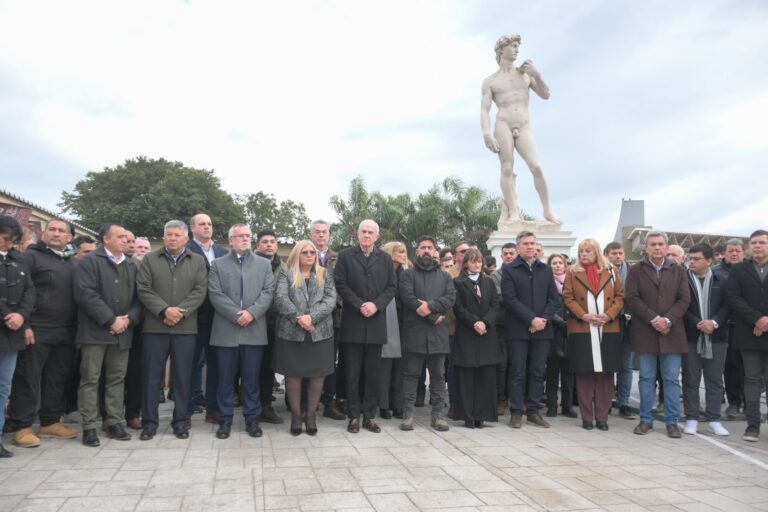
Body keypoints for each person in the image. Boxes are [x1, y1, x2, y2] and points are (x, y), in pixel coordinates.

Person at [6, 219, 79, 448]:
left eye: (61, 231)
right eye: (52, 229)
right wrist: (26, 325)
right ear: (44, 233)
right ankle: (22, 426)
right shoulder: (30, 257)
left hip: (65, 330)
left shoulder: (72, 261)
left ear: (69, 238)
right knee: (28, 379)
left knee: (57, 378)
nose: (56, 234)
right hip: (37, 329)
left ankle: (50, 422)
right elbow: (22, 292)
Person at [136, 220, 207, 440]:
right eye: (169, 234)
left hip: (185, 328)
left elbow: (200, 290)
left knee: (183, 378)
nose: (172, 238)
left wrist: (180, 313)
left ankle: (180, 422)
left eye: (177, 235)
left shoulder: (197, 261)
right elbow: (143, 289)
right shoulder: (150, 259)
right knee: (151, 377)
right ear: (164, 237)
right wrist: (164, 310)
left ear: (186, 238)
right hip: (155, 327)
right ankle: (149, 423)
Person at [74, 223, 142, 447]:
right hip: (94, 333)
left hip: (122, 333)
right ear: (106, 239)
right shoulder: (91, 261)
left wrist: (128, 320)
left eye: (127, 237)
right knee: (90, 379)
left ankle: (114, 422)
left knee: (116, 379)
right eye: (120, 237)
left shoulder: (131, 265)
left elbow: (139, 298)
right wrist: (111, 320)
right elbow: (85, 295)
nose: (125, 241)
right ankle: (89, 426)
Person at [480, 35, 559, 224]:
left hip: (524, 125)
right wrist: (486, 133)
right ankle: (513, 211)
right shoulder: (491, 80)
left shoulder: (525, 74)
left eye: (518, 46)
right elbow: (484, 110)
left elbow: (546, 95)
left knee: (536, 166)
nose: (517, 50)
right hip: (503, 124)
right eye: (513, 46)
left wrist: (537, 75)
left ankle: (548, 211)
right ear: (501, 50)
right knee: (507, 168)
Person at [208, 224, 274, 439]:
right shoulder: (217, 264)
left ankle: (252, 419)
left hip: (254, 330)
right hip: (226, 331)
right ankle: (225, 420)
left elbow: (268, 292)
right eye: (240, 236)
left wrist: (252, 313)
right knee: (225, 380)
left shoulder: (264, 264)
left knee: (251, 380)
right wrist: (237, 314)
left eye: (248, 235)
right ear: (231, 241)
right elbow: (215, 294)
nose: (245, 238)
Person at [625, 231, 690, 438]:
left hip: (672, 332)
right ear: (646, 248)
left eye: (661, 244)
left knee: (671, 380)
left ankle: (672, 422)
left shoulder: (678, 271)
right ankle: (646, 420)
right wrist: (654, 319)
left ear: (666, 247)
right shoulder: (636, 270)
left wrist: (667, 320)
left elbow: (684, 300)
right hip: (645, 332)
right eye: (653, 244)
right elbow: (632, 298)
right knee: (646, 379)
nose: (657, 247)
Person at [334, 220, 396, 434]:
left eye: (371, 232)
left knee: (373, 374)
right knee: (352, 373)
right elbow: (340, 283)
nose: (367, 235)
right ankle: (353, 416)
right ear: (357, 234)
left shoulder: (385, 259)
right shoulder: (345, 256)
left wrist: (376, 305)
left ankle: (369, 416)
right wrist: (359, 304)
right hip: (354, 321)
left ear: (377, 236)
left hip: (376, 323)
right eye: (363, 231)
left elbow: (392, 286)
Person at [274, 240, 336, 436]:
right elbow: (281, 298)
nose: (309, 255)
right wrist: (300, 319)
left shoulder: (325, 274)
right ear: (297, 254)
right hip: (292, 333)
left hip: (320, 333)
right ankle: (296, 415)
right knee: (293, 377)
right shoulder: (286, 273)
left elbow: (331, 300)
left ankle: (310, 416)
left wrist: (312, 318)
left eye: (312, 252)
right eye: (305, 252)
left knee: (317, 377)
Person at [563, 240, 625, 431]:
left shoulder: (612, 271)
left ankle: (602, 417)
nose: (583, 254)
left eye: (588, 251)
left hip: (608, 328)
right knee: (585, 374)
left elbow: (620, 296)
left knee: (606, 375)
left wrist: (609, 315)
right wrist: (584, 315)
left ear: (596, 252)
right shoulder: (573, 272)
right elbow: (568, 297)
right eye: (581, 251)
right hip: (582, 328)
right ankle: (587, 418)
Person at [501, 231, 560, 429]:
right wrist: (531, 319)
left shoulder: (545, 270)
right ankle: (516, 412)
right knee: (517, 372)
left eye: (532, 243)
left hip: (542, 330)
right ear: (518, 247)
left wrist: (542, 319)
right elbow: (509, 299)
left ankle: (533, 411)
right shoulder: (509, 269)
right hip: (518, 330)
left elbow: (554, 298)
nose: (530, 246)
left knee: (537, 372)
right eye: (525, 243)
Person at [398, 235, 456, 432]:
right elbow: (407, 297)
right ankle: (407, 415)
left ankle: (438, 416)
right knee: (410, 375)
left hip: (438, 335)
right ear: (417, 251)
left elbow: (450, 298)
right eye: (422, 247)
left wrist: (429, 306)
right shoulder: (407, 275)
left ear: (435, 251)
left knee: (438, 377)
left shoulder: (445, 277)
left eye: (429, 248)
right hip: (414, 333)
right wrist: (431, 315)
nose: (426, 251)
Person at [681, 243, 730, 437]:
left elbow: (729, 305)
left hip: (717, 337)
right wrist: (698, 323)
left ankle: (714, 420)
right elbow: (681, 306)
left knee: (715, 380)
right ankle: (692, 418)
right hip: (691, 336)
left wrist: (714, 322)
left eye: (696, 259)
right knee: (690, 379)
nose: (691, 262)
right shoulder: (683, 280)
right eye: (690, 258)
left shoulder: (723, 280)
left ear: (709, 261)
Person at [185, 213, 228, 424]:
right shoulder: (186, 251)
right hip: (193, 317)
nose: (207, 227)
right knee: (190, 365)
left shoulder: (222, 253)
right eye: (202, 224)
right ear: (192, 228)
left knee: (217, 366)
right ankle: (186, 410)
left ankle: (213, 409)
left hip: (218, 318)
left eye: (209, 224)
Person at [452, 248, 502, 428]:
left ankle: (482, 415)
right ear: (466, 264)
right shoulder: (458, 283)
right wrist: (474, 322)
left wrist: (485, 322)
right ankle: (467, 416)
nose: (477, 264)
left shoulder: (488, 282)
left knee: (485, 376)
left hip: (486, 334)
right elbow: (458, 308)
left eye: (479, 261)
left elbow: (495, 306)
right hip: (467, 333)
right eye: (473, 261)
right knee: (466, 377)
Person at [727, 229, 768, 442]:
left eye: (762, 242)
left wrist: (766, 321)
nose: (758, 246)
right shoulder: (739, 270)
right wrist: (757, 319)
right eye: (754, 243)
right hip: (749, 334)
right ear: (749, 247)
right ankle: (752, 424)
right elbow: (734, 297)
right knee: (751, 379)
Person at [0, 216, 35, 457]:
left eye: (13, 241)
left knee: (4, 388)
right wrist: (8, 315)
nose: (9, 244)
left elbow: (30, 290)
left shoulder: (18, 259)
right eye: (5, 239)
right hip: (7, 322)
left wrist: (21, 316)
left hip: (12, 334)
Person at [311, 220, 346, 421]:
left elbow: (344, 285)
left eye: (324, 232)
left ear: (329, 235)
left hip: (335, 318)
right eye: (317, 232)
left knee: (330, 360)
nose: (321, 235)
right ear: (311, 234)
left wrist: (332, 305)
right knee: (309, 358)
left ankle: (328, 401)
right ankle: (307, 400)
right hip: (309, 319)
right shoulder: (304, 254)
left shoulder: (340, 258)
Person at [254, 229, 287, 425]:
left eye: (272, 241)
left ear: (277, 245)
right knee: (250, 367)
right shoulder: (249, 263)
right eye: (264, 241)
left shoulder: (285, 267)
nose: (268, 244)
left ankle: (265, 406)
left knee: (267, 367)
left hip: (275, 324)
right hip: (252, 322)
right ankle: (250, 405)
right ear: (257, 245)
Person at [603, 241, 636, 420]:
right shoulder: (601, 271)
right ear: (606, 255)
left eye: (620, 253)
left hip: (628, 324)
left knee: (626, 366)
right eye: (614, 253)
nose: (617, 256)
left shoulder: (634, 272)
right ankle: (606, 401)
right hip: (607, 322)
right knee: (607, 365)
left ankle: (624, 403)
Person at [379, 241, 409, 420]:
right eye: (400, 252)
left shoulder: (406, 274)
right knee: (384, 367)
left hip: (404, 324)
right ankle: (383, 405)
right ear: (390, 253)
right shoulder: (381, 274)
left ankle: (398, 404)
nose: (404, 255)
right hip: (385, 323)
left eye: (405, 252)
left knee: (400, 367)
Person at [716, 238, 746, 418]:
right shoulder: (716, 272)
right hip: (726, 325)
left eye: (737, 251)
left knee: (751, 367)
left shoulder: (751, 270)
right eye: (730, 251)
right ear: (724, 253)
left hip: (750, 325)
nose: (734, 254)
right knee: (731, 365)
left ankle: (750, 403)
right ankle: (734, 402)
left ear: (743, 253)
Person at [544, 253, 576, 418]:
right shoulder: (546, 284)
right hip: (552, 332)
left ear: (565, 265)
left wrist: (570, 322)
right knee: (552, 373)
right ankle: (551, 405)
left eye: (560, 263)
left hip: (570, 332)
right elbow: (545, 307)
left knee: (568, 374)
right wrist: (559, 322)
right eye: (554, 263)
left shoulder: (573, 283)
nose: (557, 265)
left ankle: (567, 406)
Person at [490, 242, 517, 416]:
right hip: (500, 326)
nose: (508, 256)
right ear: (501, 256)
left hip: (520, 326)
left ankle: (518, 400)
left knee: (518, 365)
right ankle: (501, 399)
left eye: (511, 253)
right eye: (505, 253)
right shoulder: (495, 276)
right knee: (501, 365)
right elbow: (500, 297)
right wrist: (517, 298)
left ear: (517, 254)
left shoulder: (523, 274)